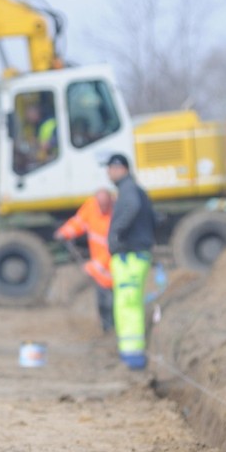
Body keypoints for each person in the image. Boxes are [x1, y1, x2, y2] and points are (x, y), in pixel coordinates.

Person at [105, 153, 156, 370]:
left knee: (128, 303)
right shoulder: (133, 189)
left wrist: (117, 234)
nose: (108, 173)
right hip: (134, 254)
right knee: (126, 302)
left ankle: (133, 356)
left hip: (131, 256)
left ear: (121, 169)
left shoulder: (129, 190)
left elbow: (132, 207)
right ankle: (128, 352)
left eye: (111, 168)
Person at [54, 189, 115, 333]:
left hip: (110, 265)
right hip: (99, 266)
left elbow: (114, 245)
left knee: (111, 301)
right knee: (102, 301)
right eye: (100, 205)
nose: (102, 208)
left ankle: (112, 329)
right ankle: (107, 329)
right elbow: (79, 222)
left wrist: (95, 265)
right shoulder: (91, 207)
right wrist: (64, 232)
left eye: (105, 205)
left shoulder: (116, 214)